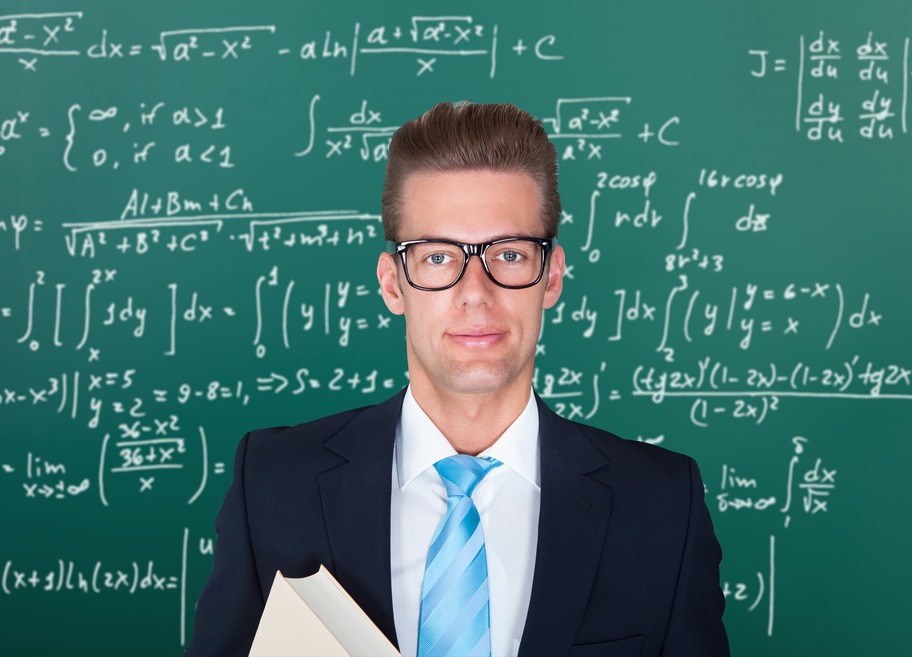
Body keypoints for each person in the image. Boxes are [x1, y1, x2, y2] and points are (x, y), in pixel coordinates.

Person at [184, 101, 729, 657]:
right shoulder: (274, 488)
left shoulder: (662, 508)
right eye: (439, 258)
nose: (475, 292)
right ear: (393, 283)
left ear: (552, 278)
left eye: (511, 254)